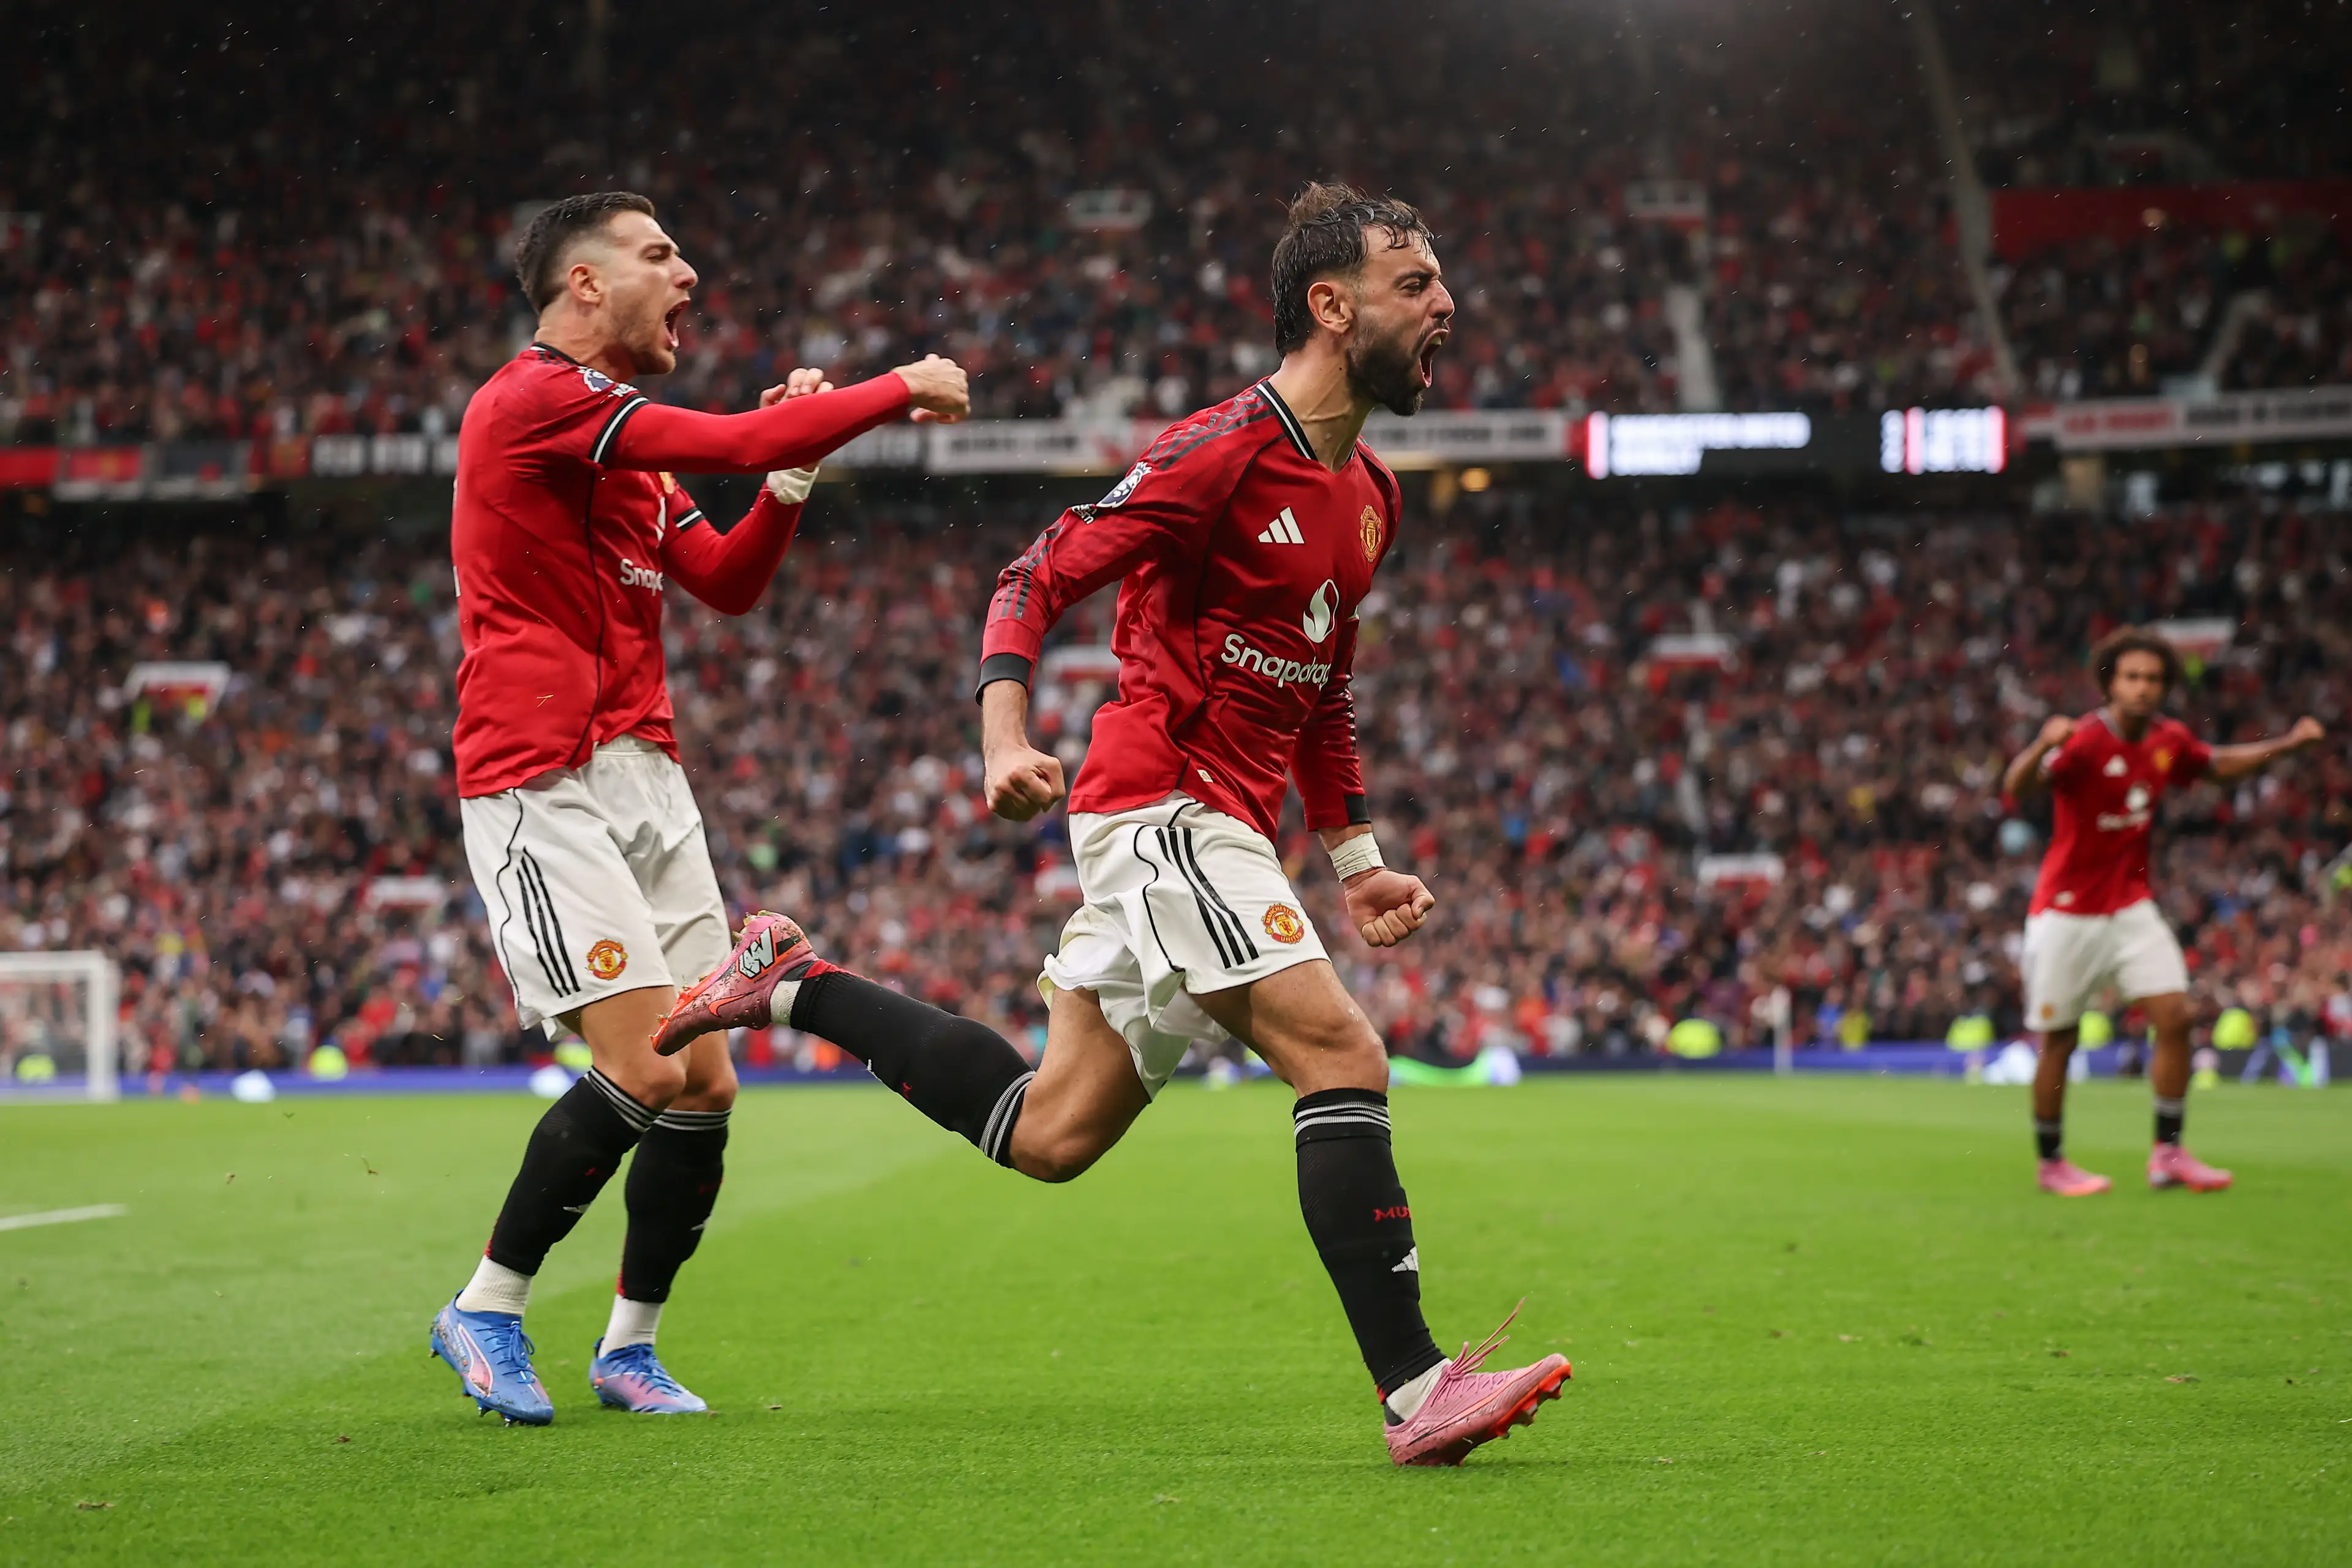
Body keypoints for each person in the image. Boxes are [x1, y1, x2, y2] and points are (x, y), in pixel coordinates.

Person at [657, 183, 1570, 1467]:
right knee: (1342, 1051)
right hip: (1165, 804)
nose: (1445, 304)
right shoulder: (1219, 450)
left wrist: (1357, 863)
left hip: (1228, 820)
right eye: (1415, 283)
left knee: (1051, 1132)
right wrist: (1004, 730)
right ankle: (1419, 1388)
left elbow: (1326, 684)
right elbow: (1040, 568)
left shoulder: (1372, 492)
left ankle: (794, 983)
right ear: (1332, 303)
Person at [429, 190, 969, 1424]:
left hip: (646, 777)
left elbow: (725, 581)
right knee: (639, 1062)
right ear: (581, 286)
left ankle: (628, 1345)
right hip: (539, 775)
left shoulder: (624, 455)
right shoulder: (533, 399)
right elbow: (722, 437)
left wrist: (790, 479)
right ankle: (490, 1301)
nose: (689, 273)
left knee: (709, 1080)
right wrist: (894, 388)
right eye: (660, 254)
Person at [2002, 625, 2324, 1197]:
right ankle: (2051, 1162)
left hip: (2130, 905)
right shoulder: (2082, 741)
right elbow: (2016, 789)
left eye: (2153, 679)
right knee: (2060, 1040)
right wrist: (2040, 746)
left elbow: (2218, 764)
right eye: (2131, 677)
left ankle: (2168, 1153)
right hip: (2067, 911)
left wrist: (2286, 747)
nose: (2143, 688)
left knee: (2175, 1016)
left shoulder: (2168, 739)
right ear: (2109, 683)